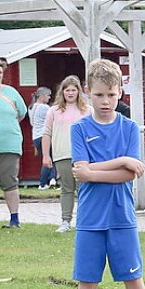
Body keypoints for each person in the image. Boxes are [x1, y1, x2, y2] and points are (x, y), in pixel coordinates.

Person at [70, 59, 145, 289]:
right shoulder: (79, 129)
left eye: (111, 94)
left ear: (120, 92)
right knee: (87, 278)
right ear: (87, 93)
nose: (105, 101)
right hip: (91, 217)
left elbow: (131, 174)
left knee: (133, 276)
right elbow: (81, 170)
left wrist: (94, 172)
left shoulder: (130, 128)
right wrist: (119, 161)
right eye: (98, 95)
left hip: (122, 215)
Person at [0, 58, 27, 229]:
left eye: (0, 72)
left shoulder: (12, 92)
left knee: (10, 181)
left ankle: (14, 218)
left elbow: (21, 114)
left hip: (10, 144)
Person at [42, 75, 91, 233]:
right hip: (62, 154)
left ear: (79, 91)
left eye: (73, 90)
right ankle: (65, 220)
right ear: (62, 92)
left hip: (83, 155)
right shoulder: (54, 111)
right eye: (67, 90)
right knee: (66, 189)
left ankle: (85, 220)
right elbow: (47, 133)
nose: (70, 93)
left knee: (84, 188)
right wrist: (46, 155)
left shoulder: (87, 110)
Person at [29, 86, 55, 188]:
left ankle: (51, 180)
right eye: (48, 95)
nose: (49, 98)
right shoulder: (45, 108)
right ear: (42, 96)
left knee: (47, 158)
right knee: (48, 159)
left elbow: (32, 123)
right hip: (44, 135)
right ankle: (43, 183)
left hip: (35, 136)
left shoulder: (31, 107)